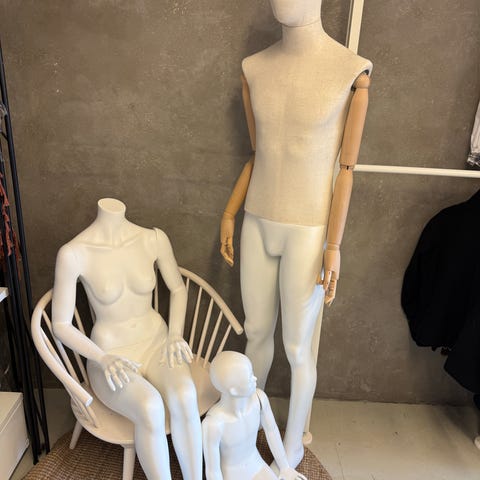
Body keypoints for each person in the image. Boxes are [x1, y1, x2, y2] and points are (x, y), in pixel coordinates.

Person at [220, 0, 372, 467]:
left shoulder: (351, 71)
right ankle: (247, 426)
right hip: (256, 220)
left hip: (309, 229)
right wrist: (229, 213)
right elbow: (259, 153)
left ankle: (290, 447)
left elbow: (346, 169)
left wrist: (334, 245)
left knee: (296, 346)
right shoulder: (253, 68)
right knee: (256, 332)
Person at [52, 198, 202, 480]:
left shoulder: (152, 239)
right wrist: (101, 357)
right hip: (111, 356)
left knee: (185, 395)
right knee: (150, 407)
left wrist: (175, 334)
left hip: (157, 342)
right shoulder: (74, 253)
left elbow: (178, 289)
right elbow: (60, 324)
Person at [202, 351, 307, 480]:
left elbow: (272, 431)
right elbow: (213, 471)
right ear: (233, 390)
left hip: (256, 464)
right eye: (249, 377)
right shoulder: (213, 424)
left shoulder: (259, 399)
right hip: (232, 474)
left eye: (252, 373)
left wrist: (285, 467)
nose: (255, 378)